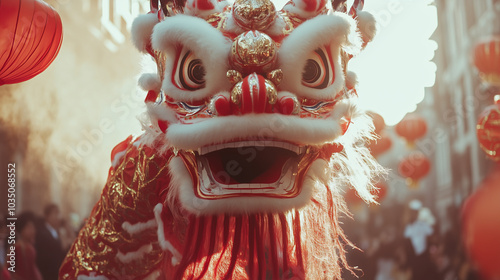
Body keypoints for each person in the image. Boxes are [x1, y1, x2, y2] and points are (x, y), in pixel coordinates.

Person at [35, 204, 65, 280]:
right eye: (55, 213)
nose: (58, 217)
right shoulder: (43, 233)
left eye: (58, 213)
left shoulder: (56, 232)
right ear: (47, 216)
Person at [11, 212, 43, 280]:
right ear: (21, 229)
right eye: (29, 227)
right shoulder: (19, 247)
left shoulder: (29, 247)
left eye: (33, 227)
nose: (33, 231)